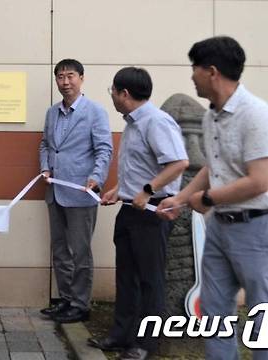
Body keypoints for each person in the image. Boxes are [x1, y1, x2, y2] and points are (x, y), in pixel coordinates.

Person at [157, 36, 268, 360]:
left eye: (195, 68)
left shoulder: (256, 115)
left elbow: (259, 181)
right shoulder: (211, 116)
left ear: (212, 72)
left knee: (264, 318)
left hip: (259, 228)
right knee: (215, 314)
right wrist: (181, 198)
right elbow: (213, 168)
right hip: (221, 228)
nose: (191, 76)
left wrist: (210, 198)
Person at [88, 67, 189, 360]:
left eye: (113, 91)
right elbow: (140, 166)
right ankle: (121, 335)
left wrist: (146, 190)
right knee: (127, 276)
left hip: (153, 212)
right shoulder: (133, 123)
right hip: (130, 209)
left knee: (150, 280)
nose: (112, 96)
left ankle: (146, 344)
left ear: (125, 94)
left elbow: (178, 163)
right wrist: (118, 189)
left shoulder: (156, 122)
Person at [38, 59, 113, 323]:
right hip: (55, 190)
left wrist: (96, 177)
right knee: (59, 249)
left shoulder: (95, 111)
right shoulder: (51, 113)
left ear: (81, 78)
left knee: (80, 251)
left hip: (82, 191)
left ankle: (81, 305)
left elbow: (105, 149)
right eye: (60, 77)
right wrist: (46, 168)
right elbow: (46, 145)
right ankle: (66, 299)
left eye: (70, 76)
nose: (65, 82)